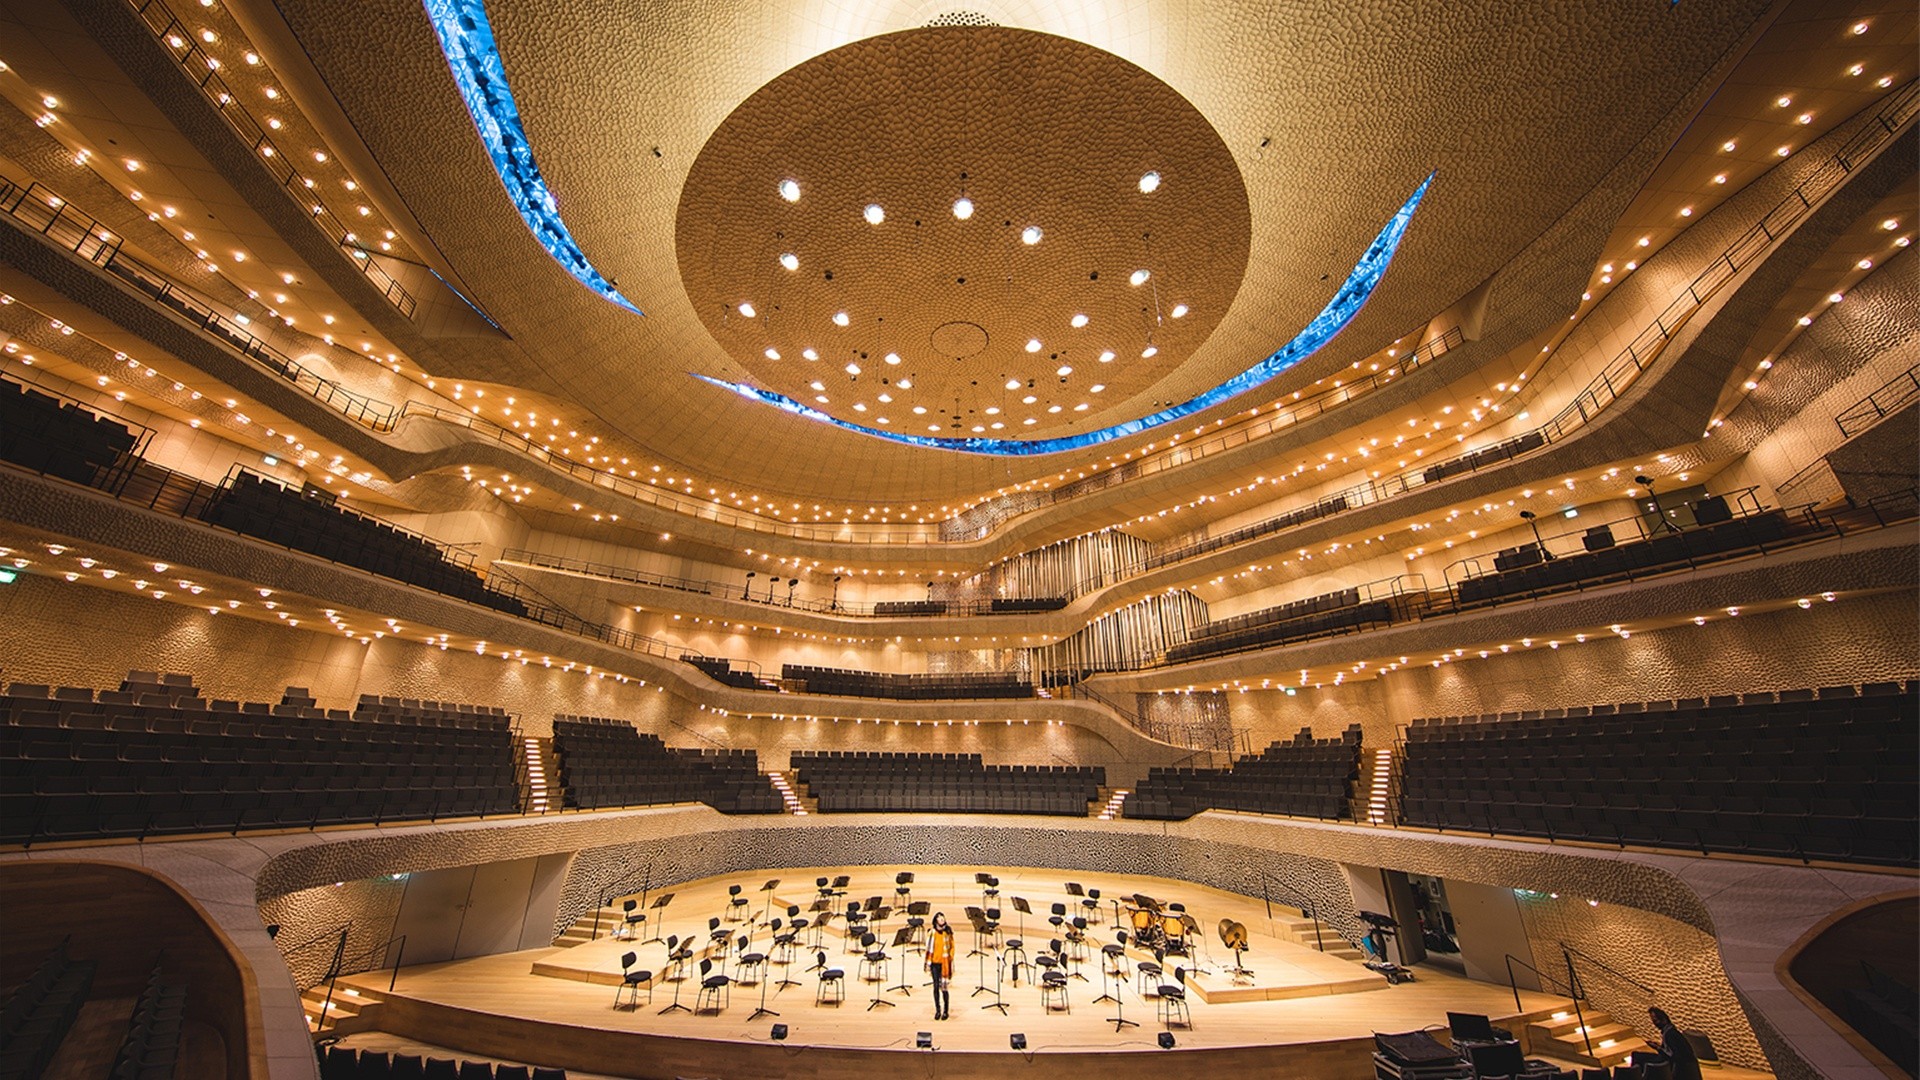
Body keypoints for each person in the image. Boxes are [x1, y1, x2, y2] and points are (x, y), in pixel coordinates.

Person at [1647, 1007, 1701, 1080]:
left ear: (1663, 1019)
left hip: (1683, 1068)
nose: (1654, 1024)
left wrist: (1658, 1048)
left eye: (1655, 1020)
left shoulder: (1670, 1034)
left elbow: (1674, 1057)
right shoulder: (1669, 1031)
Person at [928, 911, 955, 1020]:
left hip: (944, 963)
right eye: (940, 918)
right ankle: (938, 1010)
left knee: (944, 988)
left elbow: (952, 947)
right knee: (935, 987)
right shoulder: (932, 932)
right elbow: (929, 947)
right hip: (935, 963)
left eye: (943, 917)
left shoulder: (948, 932)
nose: (942, 919)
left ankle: (946, 1011)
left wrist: (950, 957)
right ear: (936, 921)